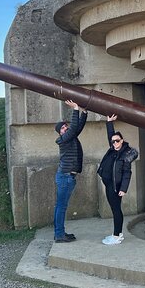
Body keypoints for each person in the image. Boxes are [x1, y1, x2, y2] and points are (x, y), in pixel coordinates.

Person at [97, 114, 138, 245]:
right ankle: (117, 234)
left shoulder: (126, 154)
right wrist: (109, 123)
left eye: (117, 141)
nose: (115, 143)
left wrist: (123, 189)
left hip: (116, 186)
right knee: (114, 208)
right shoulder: (113, 148)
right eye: (113, 141)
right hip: (109, 184)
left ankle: (117, 236)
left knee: (116, 209)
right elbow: (110, 135)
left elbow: (127, 173)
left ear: (122, 140)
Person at [53, 99, 88, 243]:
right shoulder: (63, 140)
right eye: (63, 128)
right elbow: (74, 129)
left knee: (61, 206)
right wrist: (75, 109)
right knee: (61, 207)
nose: (65, 128)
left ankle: (60, 233)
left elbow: (77, 128)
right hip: (65, 177)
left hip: (67, 177)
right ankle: (59, 235)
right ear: (60, 132)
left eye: (65, 126)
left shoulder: (70, 136)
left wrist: (84, 113)